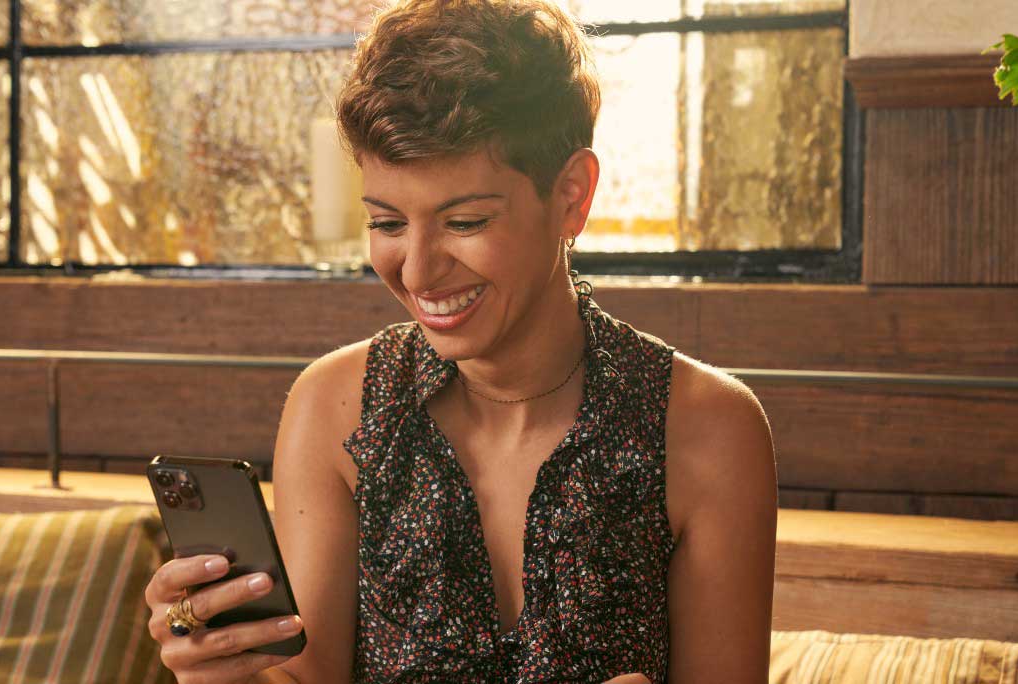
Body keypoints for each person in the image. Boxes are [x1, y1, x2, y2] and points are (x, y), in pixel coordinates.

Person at [144, 0, 779, 682]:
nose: (417, 271)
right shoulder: (335, 407)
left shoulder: (710, 429)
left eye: (465, 221)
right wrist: (221, 670)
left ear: (572, 195)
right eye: (387, 223)